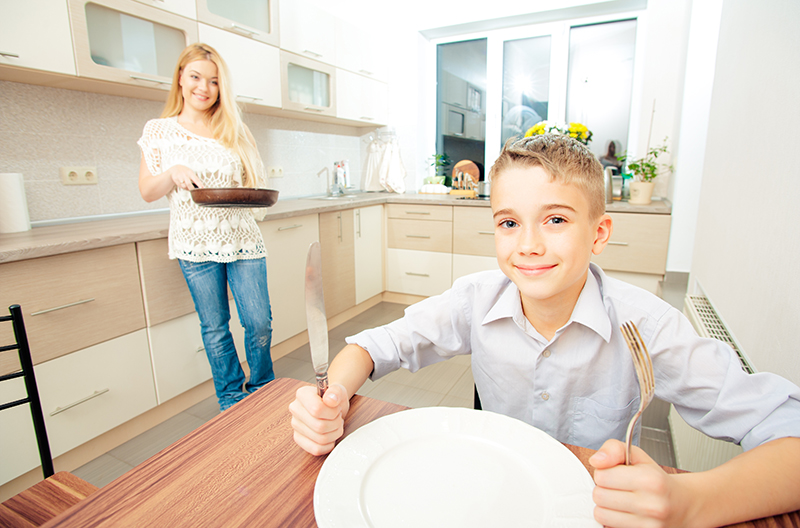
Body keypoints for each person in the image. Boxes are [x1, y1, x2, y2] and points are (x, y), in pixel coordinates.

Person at [289, 134, 800, 527]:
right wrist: (330, 399)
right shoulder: (476, 298)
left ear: (598, 233)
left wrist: (689, 502)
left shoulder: (647, 327)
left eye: (555, 220)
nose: (528, 245)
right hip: (491, 497)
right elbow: (373, 346)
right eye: (509, 223)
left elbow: (790, 436)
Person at [138, 43, 275, 411]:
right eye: (196, 76)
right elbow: (148, 191)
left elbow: (253, 182)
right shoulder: (159, 131)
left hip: (242, 237)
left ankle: (263, 391)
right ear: (180, 78)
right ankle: (230, 398)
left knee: (258, 322)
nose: (204, 87)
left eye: (214, 81)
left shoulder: (233, 128)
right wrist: (171, 172)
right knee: (215, 328)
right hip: (194, 243)